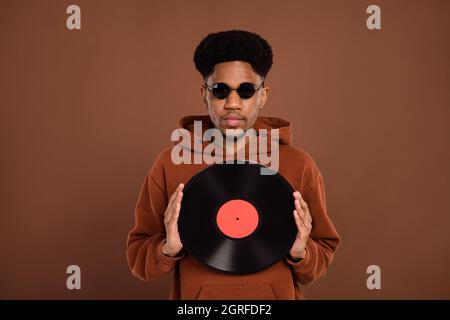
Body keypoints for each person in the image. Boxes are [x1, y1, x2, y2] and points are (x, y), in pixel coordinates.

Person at [126, 29, 341, 299]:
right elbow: (140, 261)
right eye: (220, 90)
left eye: (246, 90)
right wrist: (167, 249)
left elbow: (318, 258)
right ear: (205, 94)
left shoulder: (299, 165)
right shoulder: (169, 163)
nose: (233, 103)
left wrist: (302, 252)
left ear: (263, 95)